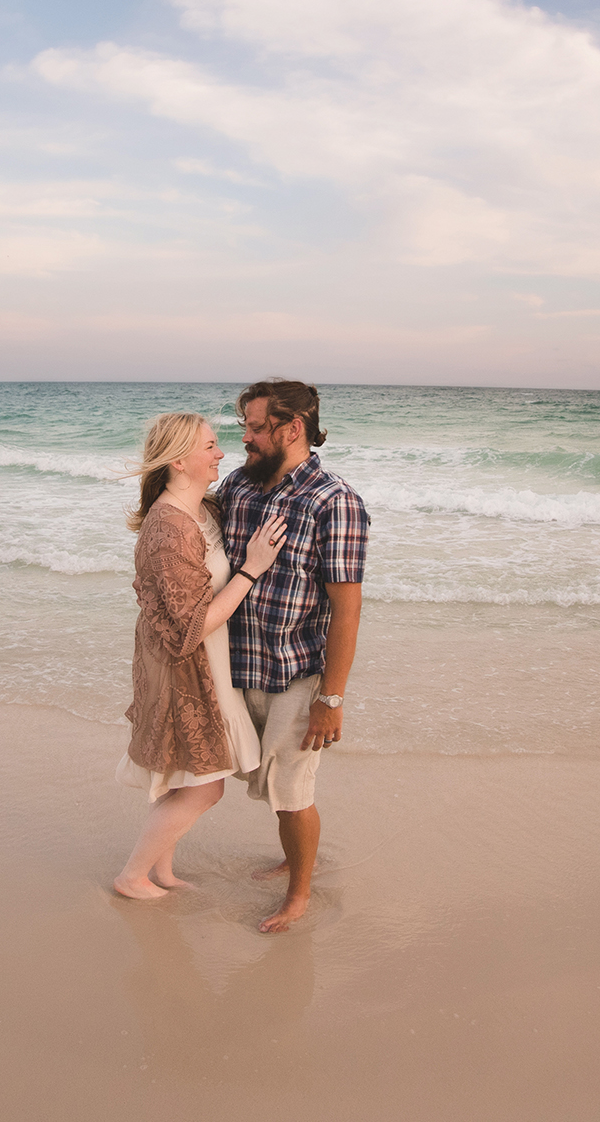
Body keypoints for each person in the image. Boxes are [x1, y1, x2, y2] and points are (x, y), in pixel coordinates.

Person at [113, 412, 288, 900]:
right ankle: (131, 876)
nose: (221, 454)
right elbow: (191, 625)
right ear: (178, 460)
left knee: (184, 778)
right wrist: (251, 571)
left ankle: (159, 870)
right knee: (207, 785)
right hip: (183, 667)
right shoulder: (168, 528)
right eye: (210, 446)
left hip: (209, 662)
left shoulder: (204, 511)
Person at [216, 379, 368, 933]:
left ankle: (298, 892)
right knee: (266, 783)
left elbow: (347, 609)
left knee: (292, 788)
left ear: (292, 428)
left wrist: (332, 697)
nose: (247, 439)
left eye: (257, 428)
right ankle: (291, 857)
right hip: (239, 665)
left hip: (298, 672)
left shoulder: (335, 501)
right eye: (245, 428)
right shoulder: (239, 485)